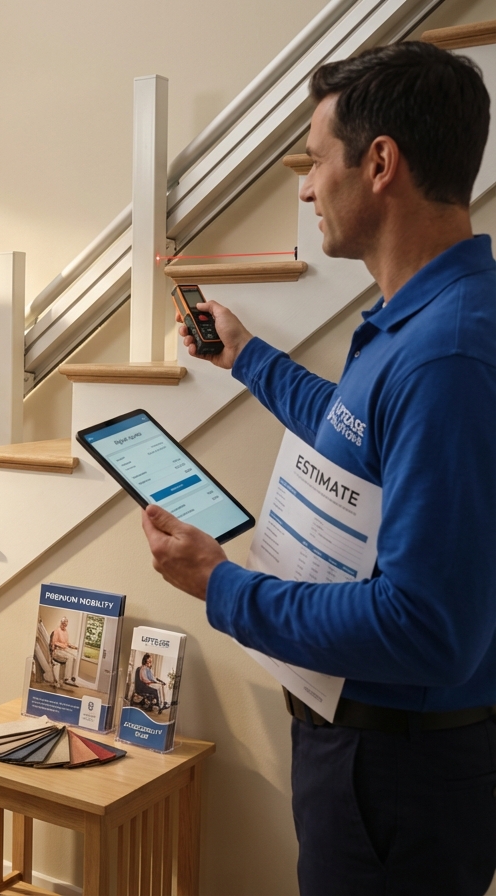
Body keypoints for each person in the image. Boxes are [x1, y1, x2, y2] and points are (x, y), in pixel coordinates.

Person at [140, 42, 496, 895]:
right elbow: (353, 429)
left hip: (397, 779)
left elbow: (427, 628)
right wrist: (247, 357)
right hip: (365, 750)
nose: (303, 187)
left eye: (313, 160)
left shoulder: (447, 355)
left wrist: (220, 586)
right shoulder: (417, 320)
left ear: (380, 164)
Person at [50, 617, 79, 684]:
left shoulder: (65, 632)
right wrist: (63, 646)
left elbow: (66, 643)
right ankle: (66, 678)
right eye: (63, 624)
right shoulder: (57, 631)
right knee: (70, 658)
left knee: (75, 657)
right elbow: (54, 642)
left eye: (65, 625)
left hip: (63, 651)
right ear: (61, 623)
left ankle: (72, 678)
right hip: (57, 651)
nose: (64, 626)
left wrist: (72, 646)